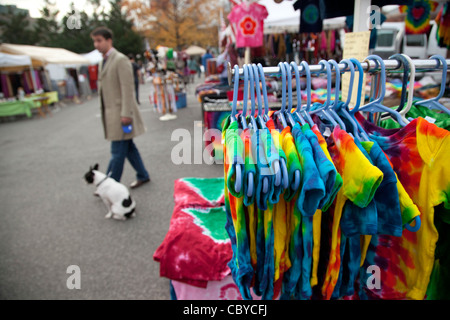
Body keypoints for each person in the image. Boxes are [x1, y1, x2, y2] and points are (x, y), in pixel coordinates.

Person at [91, 26, 150, 189]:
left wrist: (126, 113)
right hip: (113, 115)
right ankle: (143, 174)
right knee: (128, 147)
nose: (96, 45)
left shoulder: (120, 59)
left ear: (109, 40)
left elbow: (127, 88)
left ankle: (109, 184)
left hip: (122, 116)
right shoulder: (104, 60)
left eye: (99, 40)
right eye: (94, 41)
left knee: (117, 151)